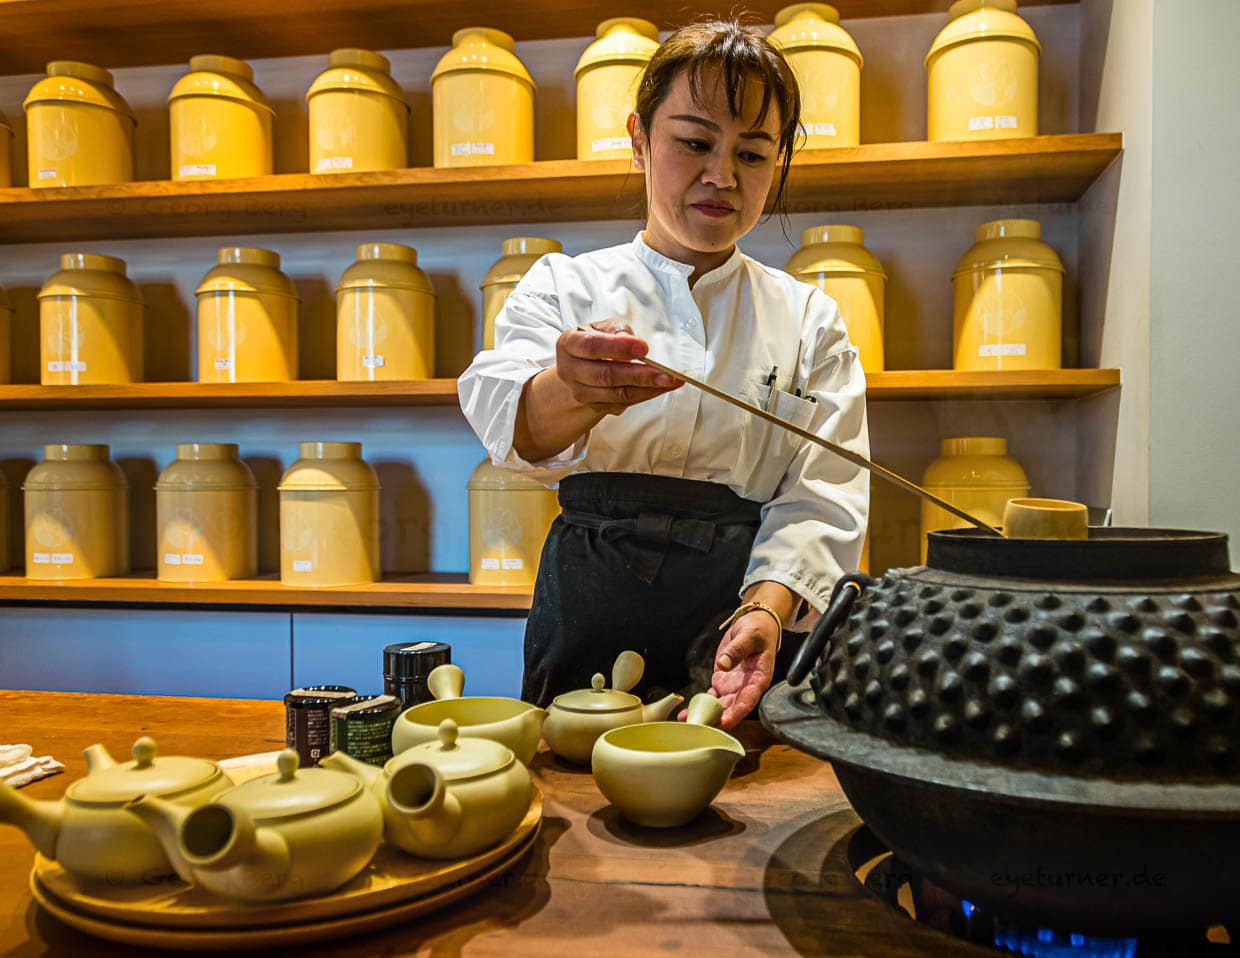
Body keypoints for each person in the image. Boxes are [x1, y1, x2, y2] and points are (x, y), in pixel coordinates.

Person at [458, 20, 868, 730]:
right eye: (695, 143)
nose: (723, 176)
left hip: (740, 617)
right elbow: (511, 425)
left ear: (779, 163)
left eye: (752, 153)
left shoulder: (810, 319)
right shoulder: (563, 286)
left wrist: (767, 610)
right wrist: (573, 389)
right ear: (640, 138)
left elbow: (824, 496)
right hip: (591, 595)